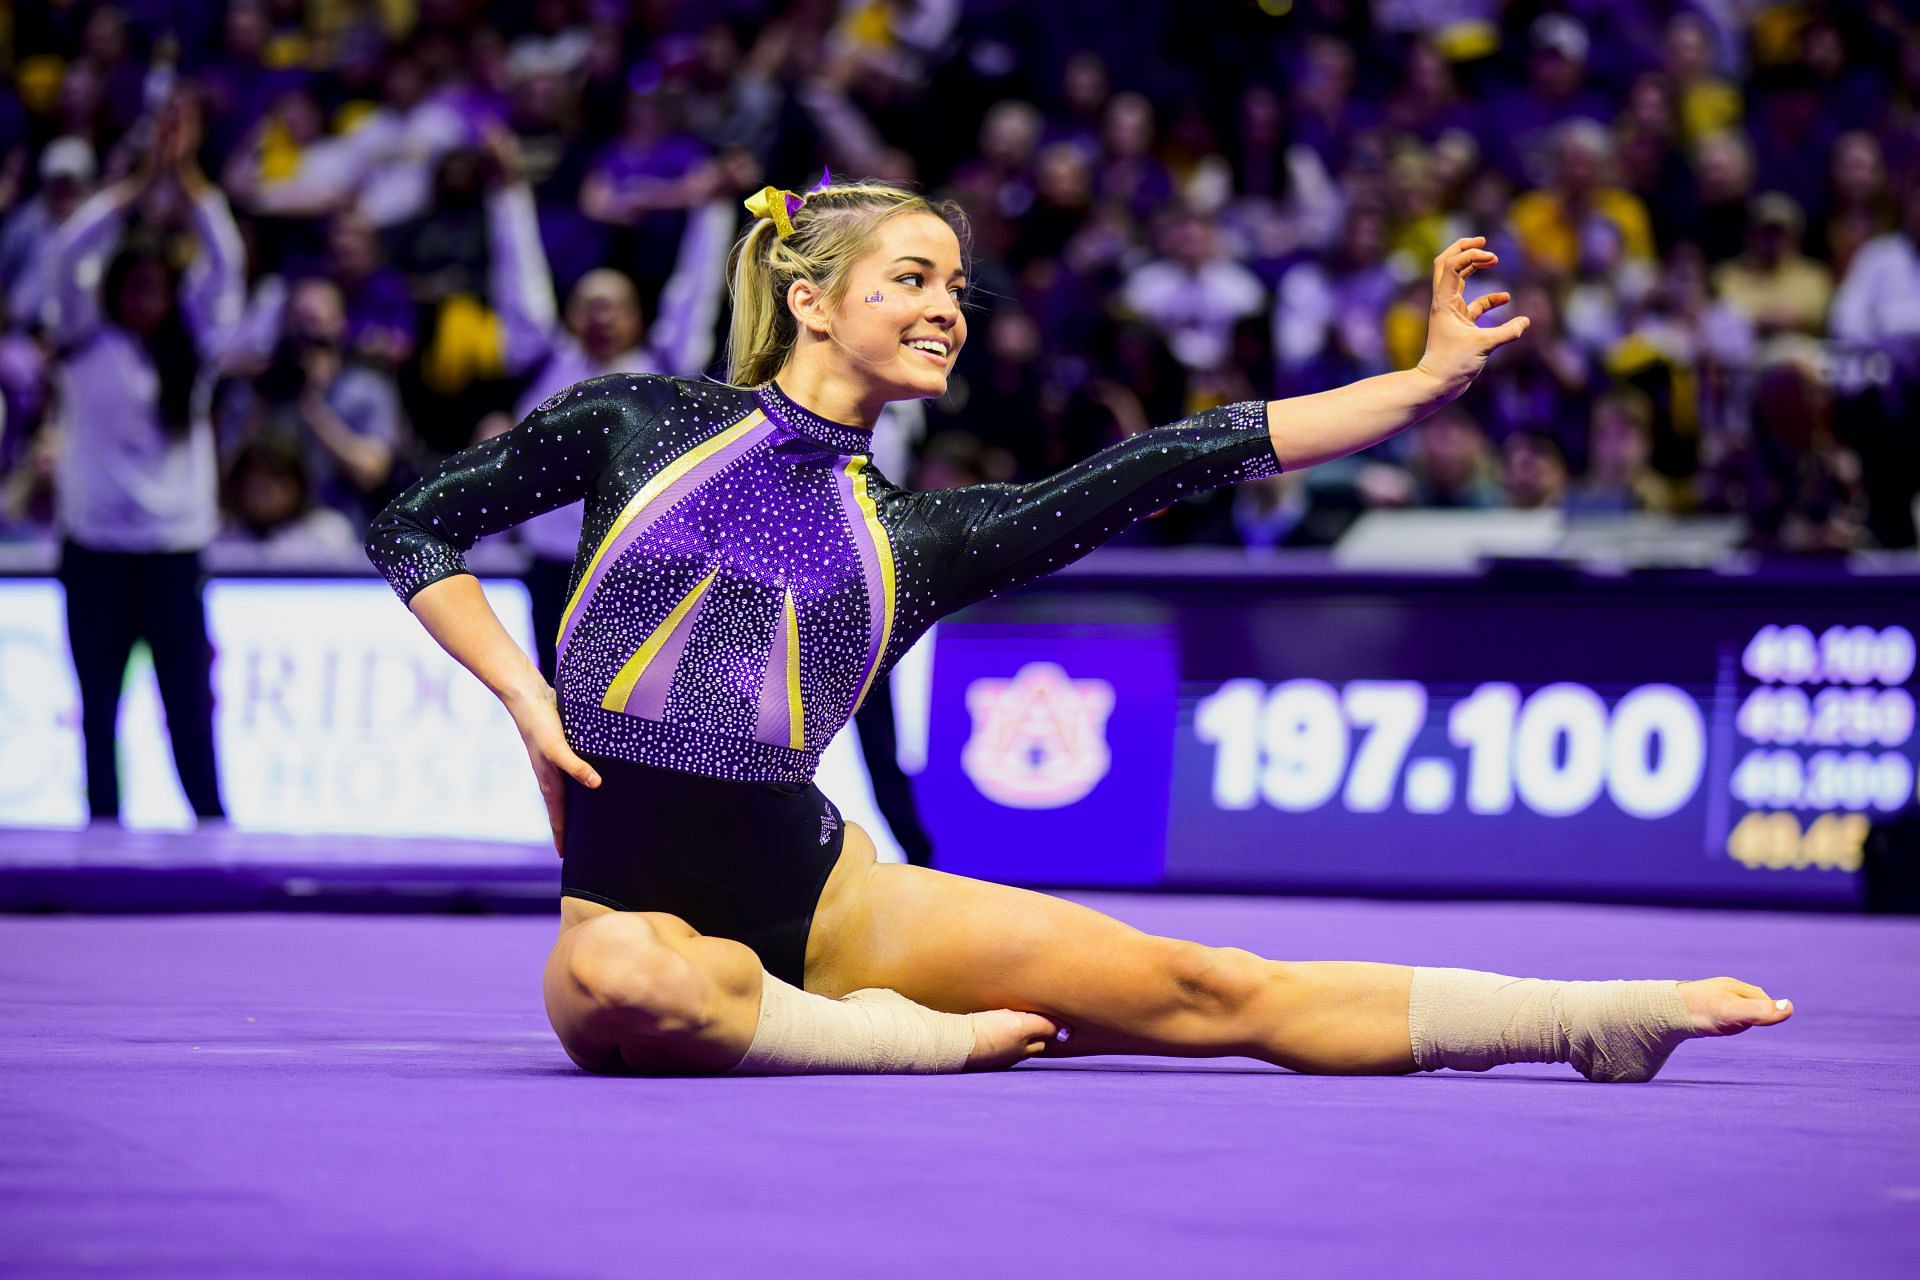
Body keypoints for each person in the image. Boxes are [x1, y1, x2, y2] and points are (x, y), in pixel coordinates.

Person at [367, 178, 1793, 1080]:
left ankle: (1587, 1019)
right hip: (627, 924)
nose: (950, 311)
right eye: (913, 280)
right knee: (626, 977)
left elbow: (1172, 457)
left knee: (1210, 987)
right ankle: (901, 1048)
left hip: (832, 901)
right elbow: (416, 522)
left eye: (959, 292)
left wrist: (1417, 388)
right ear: (809, 297)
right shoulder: (635, 425)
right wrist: (524, 696)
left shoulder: (918, 538)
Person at [51, 98, 240, 824]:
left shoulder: (193, 354)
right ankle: (101, 828)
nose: (143, 303)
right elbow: (68, 253)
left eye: (155, 291)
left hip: (171, 554)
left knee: (188, 704)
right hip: (94, 552)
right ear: (111, 293)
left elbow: (224, 261)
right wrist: (134, 187)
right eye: (130, 290)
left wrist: (188, 181)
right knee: (98, 706)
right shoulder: (82, 342)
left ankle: (211, 824)